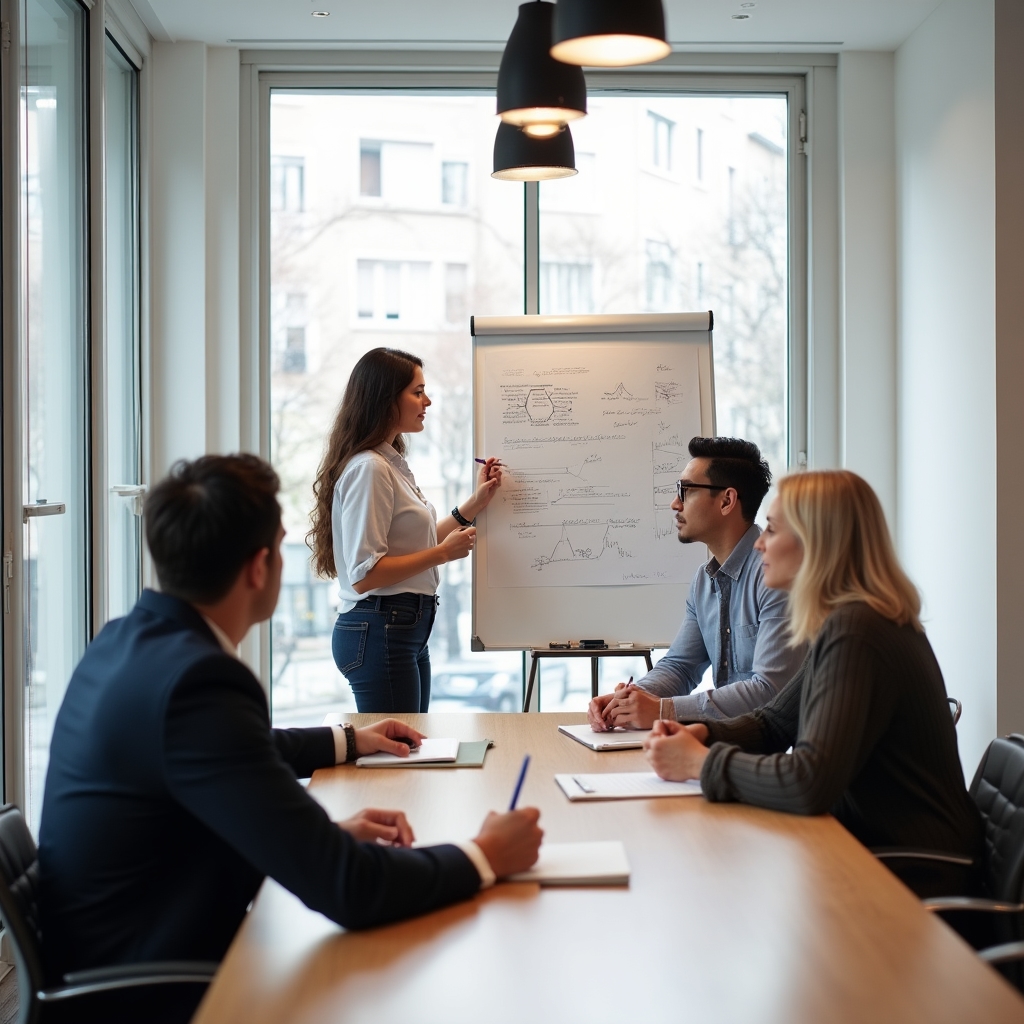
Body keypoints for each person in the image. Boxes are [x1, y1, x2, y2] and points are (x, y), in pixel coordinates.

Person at [38, 454, 542, 1021]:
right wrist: (484, 855)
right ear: (259, 567)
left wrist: (350, 742)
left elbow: (236, 751)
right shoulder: (199, 683)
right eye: (280, 546)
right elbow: (348, 887)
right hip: (151, 989)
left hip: (121, 940)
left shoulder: (127, 641)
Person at [643, 470, 983, 892]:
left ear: (816, 543)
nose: (761, 543)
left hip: (917, 875)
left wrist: (699, 762)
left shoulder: (859, 631)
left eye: (772, 529)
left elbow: (808, 783)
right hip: (869, 849)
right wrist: (702, 733)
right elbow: (774, 723)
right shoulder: (846, 622)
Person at [309, 347, 501, 713]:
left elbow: (418, 541)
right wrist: (444, 554)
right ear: (386, 398)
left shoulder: (388, 464)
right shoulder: (371, 468)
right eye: (417, 392)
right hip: (382, 626)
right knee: (398, 755)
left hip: (399, 627)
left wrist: (474, 505)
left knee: (409, 749)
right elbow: (366, 575)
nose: (427, 401)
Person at [588, 436, 805, 731]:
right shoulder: (704, 580)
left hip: (771, 754)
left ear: (727, 500)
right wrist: (630, 699)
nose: (674, 503)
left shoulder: (776, 576)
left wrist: (664, 710)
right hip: (725, 744)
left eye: (685, 490)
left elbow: (770, 691)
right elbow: (681, 666)